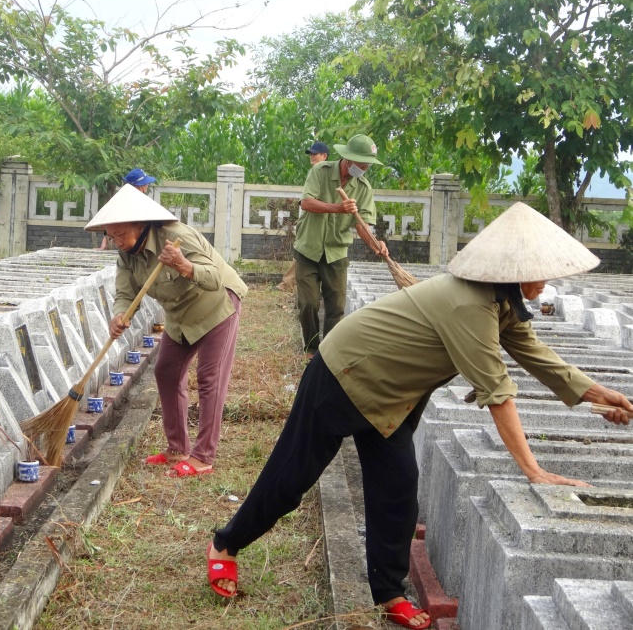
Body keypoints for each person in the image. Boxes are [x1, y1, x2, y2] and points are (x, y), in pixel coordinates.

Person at [206, 201, 633, 627]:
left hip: (390, 397)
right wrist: (533, 470)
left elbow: (538, 356)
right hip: (345, 373)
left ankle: (389, 592)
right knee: (293, 475)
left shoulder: (500, 301)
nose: (548, 279)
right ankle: (226, 543)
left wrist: (601, 394)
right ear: (516, 269)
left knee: (397, 487)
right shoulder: (470, 304)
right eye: (542, 269)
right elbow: (497, 393)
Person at [85, 184, 248, 477]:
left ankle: (203, 456)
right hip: (179, 315)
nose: (117, 241)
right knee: (167, 372)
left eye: (121, 234)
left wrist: (184, 265)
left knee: (210, 378)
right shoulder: (126, 255)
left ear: (140, 223)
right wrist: (120, 315)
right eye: (111, 235)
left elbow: (212, 277)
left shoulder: (177, 237)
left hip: (217, 305)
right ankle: (177, 447)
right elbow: (124, 292)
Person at [293, 133, 388, 355]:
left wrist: (375, 244)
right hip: (308, 249)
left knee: (336, 307)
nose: (365, 168)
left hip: (336, 253)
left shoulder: (363, 188)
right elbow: (306, 202)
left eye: (367, 164)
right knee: (308, 304)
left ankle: (327, 354)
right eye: (362, 163)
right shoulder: (321, 171)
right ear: (349, 159)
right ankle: (311, 348)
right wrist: (337, 208)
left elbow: (361, 224)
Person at [277, 141, 330, 293]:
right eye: (311, 154)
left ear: (324, 156)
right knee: (302, 252)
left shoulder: (326, 174)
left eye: (315, 154)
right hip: (307, 220)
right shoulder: (314, 172)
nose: (312, 157)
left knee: (303, 253)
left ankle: (287, 284)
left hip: (318, 223)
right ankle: (289, 283)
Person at [99, 168, 157, 249]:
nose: (147, 185)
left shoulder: (119, 200)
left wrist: (104, 244)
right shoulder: (141, 203)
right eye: (146, 183)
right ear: (142, 186)